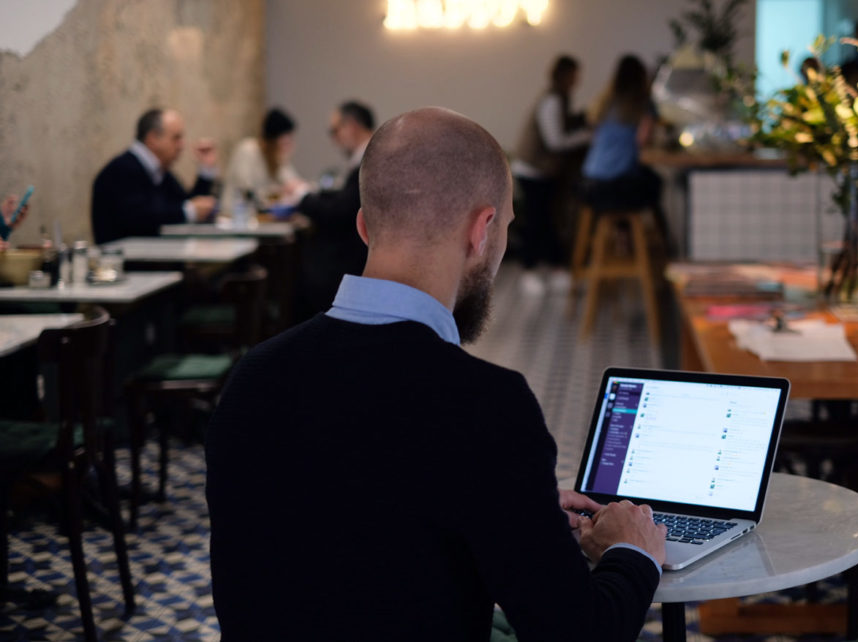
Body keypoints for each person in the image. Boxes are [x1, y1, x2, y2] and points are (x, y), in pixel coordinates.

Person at [206, 107, 666, 641]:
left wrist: (517, 504)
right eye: (505, 231)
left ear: (362, 226)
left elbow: (344, 529)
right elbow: (579, 633)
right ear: (482, 229)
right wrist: (634, 550)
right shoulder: (486, 405)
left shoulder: (252, 377)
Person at [284, 100, 375, 318]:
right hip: (356, 252)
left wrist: (303, 197)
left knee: (295, 266)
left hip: (351, 259)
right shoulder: (368, 158)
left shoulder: (369, 161)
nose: (334, 139)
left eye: (335, 130)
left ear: (352, 126)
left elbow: (340, 213)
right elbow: (347, 199)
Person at [512, 54, 591, 295]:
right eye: (575, 75)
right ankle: (530, 270)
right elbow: (555, 141)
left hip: (541, 171)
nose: (578, 80)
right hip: (533, 170)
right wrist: (588, 136)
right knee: (538, 220)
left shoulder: (560, 100)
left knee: (546, 219)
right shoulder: (552, 101)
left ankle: (555, 268)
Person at [91, 108, 218, 245]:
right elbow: (140, 220)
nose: (182, 145)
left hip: (156, 258)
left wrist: (206, 169)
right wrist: (189, 211)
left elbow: (186, 203)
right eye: (176, 138)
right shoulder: (121, 171)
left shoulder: (159, 171)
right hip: (126, 263)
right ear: (152, 139)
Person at [581, 55, 667, 237]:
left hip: (590, 182)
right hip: (616, 185)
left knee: (642, 180)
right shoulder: (644, 104)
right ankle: (656, 244)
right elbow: (643, 140)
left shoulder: (604, 102)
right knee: (654, 183)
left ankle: (621, 238)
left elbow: (594, 134)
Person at [221, 107, 304, 214]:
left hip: (260, 220)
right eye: (284, 143)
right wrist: (278, 194)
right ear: (272, 141)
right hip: (235, 218)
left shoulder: (277, 158)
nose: (288, 146)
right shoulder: (248, 150)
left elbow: (292, 183)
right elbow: (247, 191)